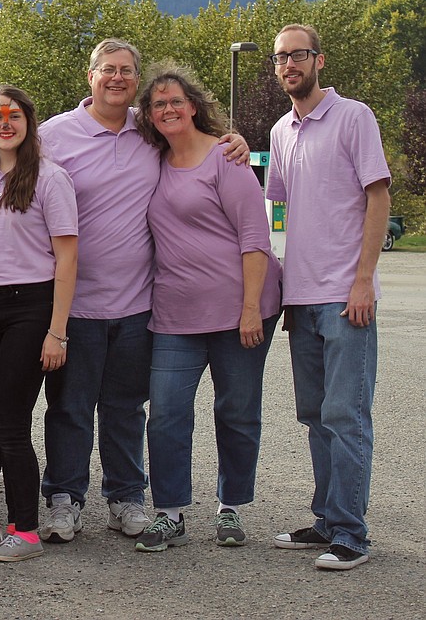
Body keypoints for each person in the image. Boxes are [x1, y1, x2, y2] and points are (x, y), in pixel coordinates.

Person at [38, 39, 249, 543]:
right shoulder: (54, 135)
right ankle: (64, 499)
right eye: (107, 70)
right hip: (75, 304)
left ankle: (127, 497)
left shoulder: (149, 129)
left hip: (139, 304)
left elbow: (194, 141)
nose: (117, 78)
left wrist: (231, 138)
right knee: (69, 408)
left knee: (126, 407)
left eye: (127, 71)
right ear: (89, 77)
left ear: (136, 81)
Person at [130, 64, 283, 552]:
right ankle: (169, 513)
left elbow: (255, 237)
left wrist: (251, 307)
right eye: (158, 104)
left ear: (194, 105)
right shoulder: (150, 161)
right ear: (149, 116)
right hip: (175, 311)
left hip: (241, 307)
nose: (169, 109)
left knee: (236, 411)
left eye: (176, 101)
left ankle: (230, 506)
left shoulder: (225, 157)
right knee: (168, 413)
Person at [266, 24, 390, 571]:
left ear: (319, 59)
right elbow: (281, 211)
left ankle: (352, 535)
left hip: (345, 297)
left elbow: (378, 197)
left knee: (347, 416)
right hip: (303, 298)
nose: (289, 65)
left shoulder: (354, 117)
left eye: (298, 55)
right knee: (316, 416)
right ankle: (326, 520)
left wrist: (363, 279)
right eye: (280, 58)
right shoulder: (281, 131)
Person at [0, 86, 77, 562]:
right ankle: (10, 525)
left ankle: (26, 531)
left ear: (29, 122)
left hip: (31, 307)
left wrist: (56, 329)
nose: (6, 124)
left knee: (11, 423)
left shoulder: (49, 178)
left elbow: (67, 257)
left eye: (15, 116)